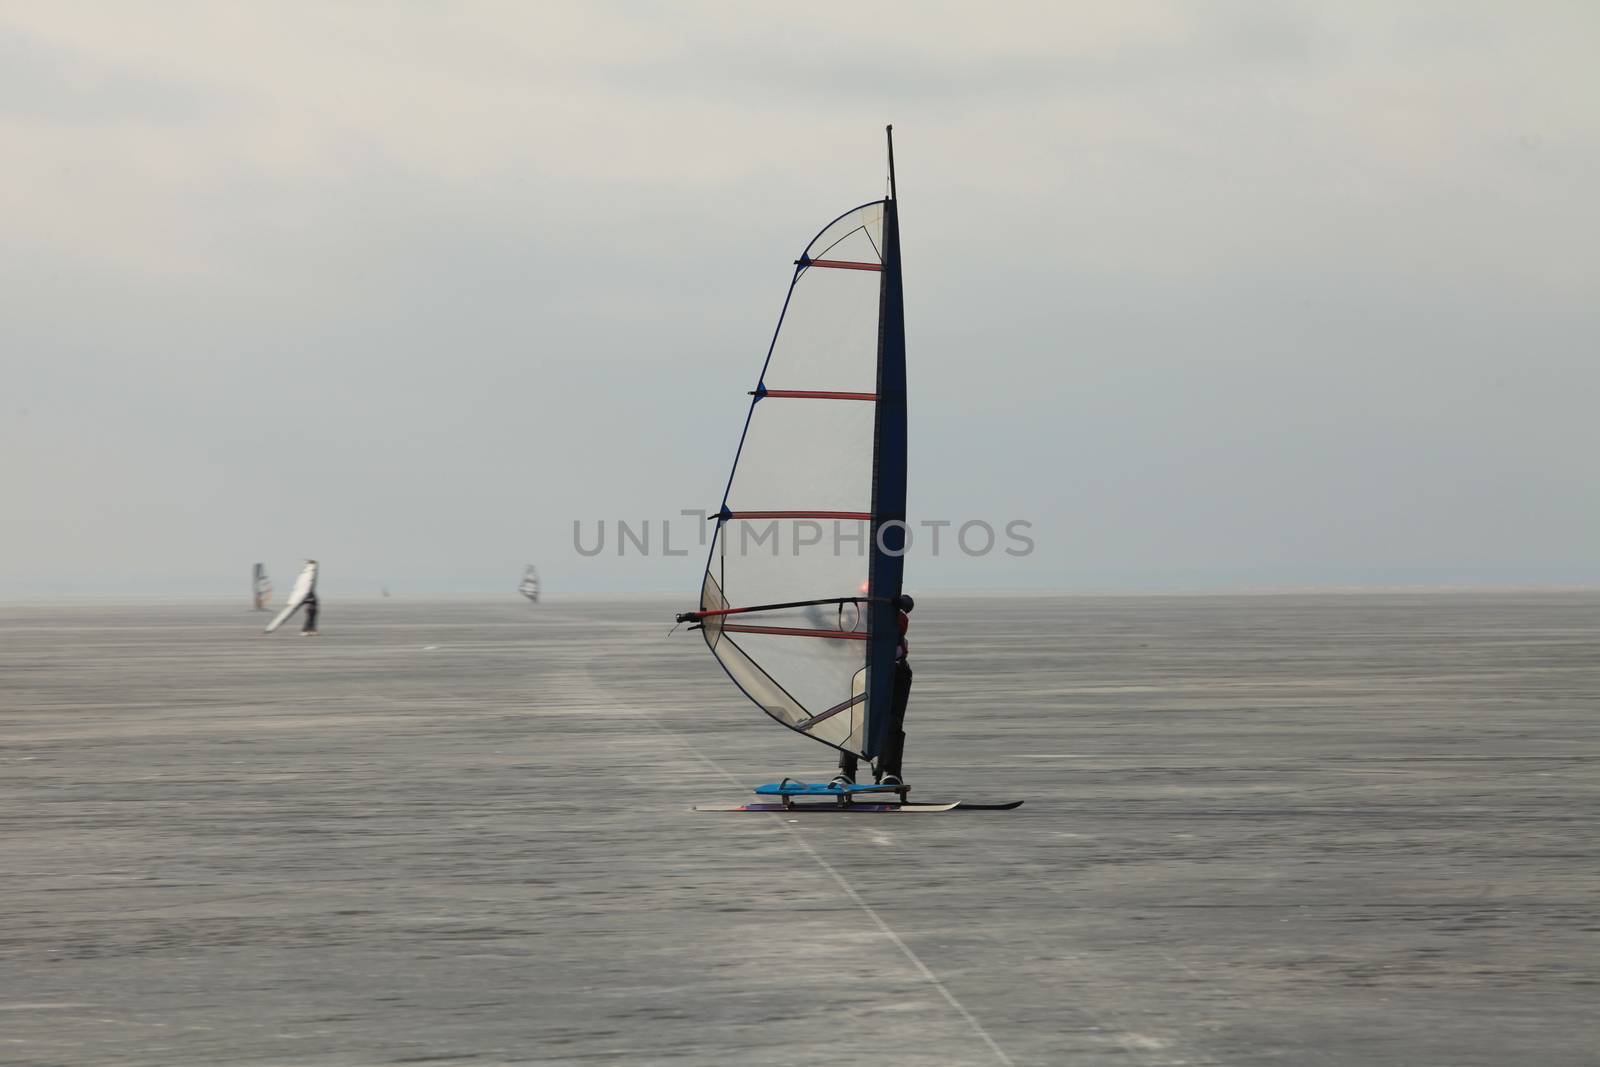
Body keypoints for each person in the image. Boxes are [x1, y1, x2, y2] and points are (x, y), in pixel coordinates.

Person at [832, 594, 914, 787]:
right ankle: (847, 772)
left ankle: (890, 771)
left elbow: (906, 611)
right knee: (855, 721)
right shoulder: (853, 616)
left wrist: (895, 604)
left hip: (894, 672)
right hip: (861, 672)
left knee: (892, 721)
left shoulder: (895, 612)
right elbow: (837, 638)